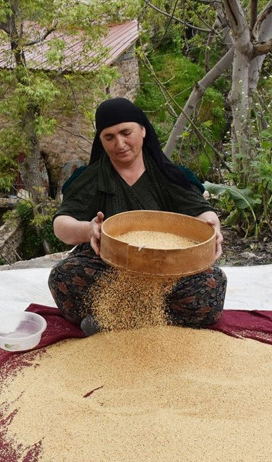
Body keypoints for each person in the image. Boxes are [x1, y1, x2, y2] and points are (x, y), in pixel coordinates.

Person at [48, 97, 227, 334]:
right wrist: (88, 229)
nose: (119, 143)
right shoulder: (91, 178)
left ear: (142, 130)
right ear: (100, 141)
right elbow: (61, 223)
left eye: (126, 132)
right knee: (63, 276)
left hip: (166, 268)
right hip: (108, 264)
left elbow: (200, 211)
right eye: (109, 137)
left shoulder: (167, 175)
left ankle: (116, 317)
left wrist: (211, 224)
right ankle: (151, 316)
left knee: (212, 284)